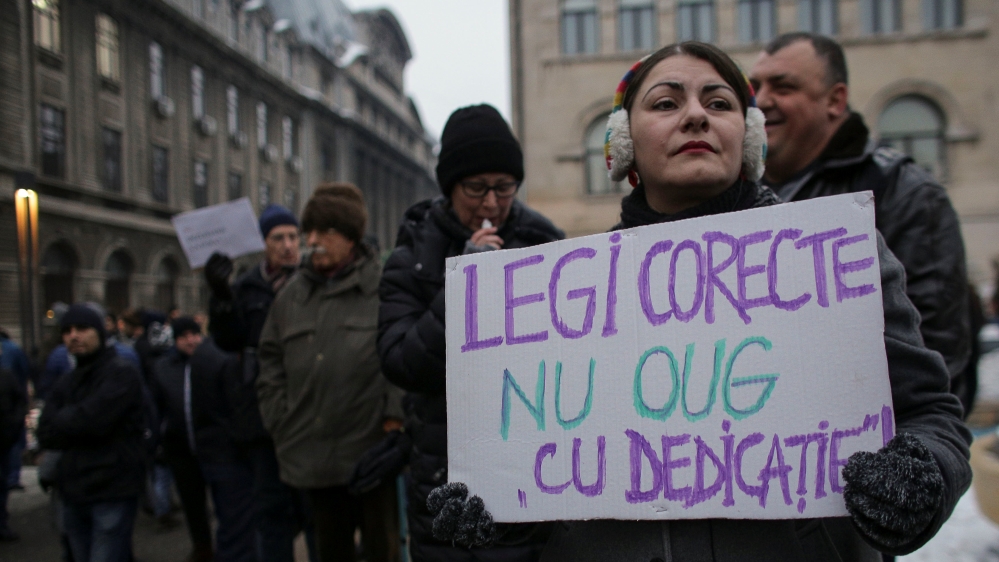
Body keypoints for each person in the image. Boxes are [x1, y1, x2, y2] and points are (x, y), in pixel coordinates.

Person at [428, 42, 972, 561]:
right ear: (623, 145)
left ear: (748, 137)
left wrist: (920, 477)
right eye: (666, 103)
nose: (695, 116)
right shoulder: (566, 296)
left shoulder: (840, 257)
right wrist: (496, 501)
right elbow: (545, 461)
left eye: (718, 103)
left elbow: (931, 414)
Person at [377, 104, 565, 562]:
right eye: (475, 188)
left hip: (529, 468)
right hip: (445, 477)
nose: (491, 203)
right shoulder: (412, 257)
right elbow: (400, 361)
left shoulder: (546, 243)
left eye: (504, 187)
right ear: (449, 187)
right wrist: (463, 287)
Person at [749, 32, 971, 399]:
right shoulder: (743, 192)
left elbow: (937, 357)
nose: (762, 101)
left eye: (783, 86)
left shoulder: (904, 193)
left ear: (835, 100)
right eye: (754, 86)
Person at [257, 183, 404, 562]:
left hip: (370, 453)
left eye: (326, 231)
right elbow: (269, 360)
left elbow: (400, 356)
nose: (313, 241)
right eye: (310, 231)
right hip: (312, 455)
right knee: (329, 552)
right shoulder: (291, 295)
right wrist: (280, 418)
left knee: (381, 551)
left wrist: (394, 418)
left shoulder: (383, 288)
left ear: (351, 237)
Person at [204, 203, 312, 562]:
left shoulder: (314, 279)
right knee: (271, 510)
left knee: (314, 510)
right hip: (261, 415)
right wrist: (220, 298)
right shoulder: (247, 287)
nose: (287, 245)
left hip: (308, 408)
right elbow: (228, 339)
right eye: (278, 237)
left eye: (293, 236)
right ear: (264, 243)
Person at [37, 304, 146, 562]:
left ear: (99, 331)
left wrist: (67, 420)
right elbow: (46, 432)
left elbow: (94, 420)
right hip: (74, 490)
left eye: (82, 329)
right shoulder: (67, 381)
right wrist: (75, 420)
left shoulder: (121, 373)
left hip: (112, 487)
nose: (73, 336)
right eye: (67, 331)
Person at [152, 317, 255, 562]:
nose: (191, 340)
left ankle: (224, 548)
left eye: (194, 334)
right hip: (182, 451)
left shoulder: (215, 360)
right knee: (193, 506)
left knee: (228, 508)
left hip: (217, 450)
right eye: (183, 336)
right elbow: (156, 408)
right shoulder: (164, 368)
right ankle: (203, 547)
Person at [0, 328, 30, 492]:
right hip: (11, 408)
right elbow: (25, 372)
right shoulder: (14, 348)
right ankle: (12, 478)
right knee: (13, 445)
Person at [0, 362, 26, 541]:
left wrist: (12, 430)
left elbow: (20, 403)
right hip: (5, 439)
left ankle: (1, 523)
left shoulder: (6, 376)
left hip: (3, 440)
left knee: (1, 483)